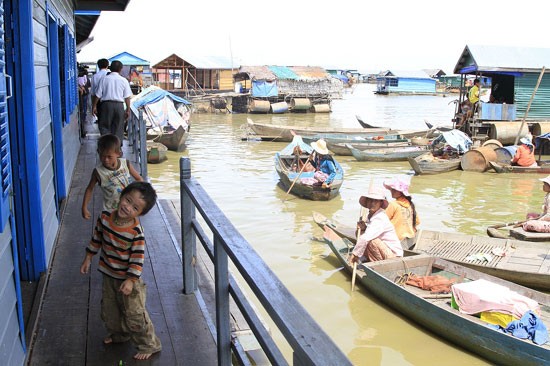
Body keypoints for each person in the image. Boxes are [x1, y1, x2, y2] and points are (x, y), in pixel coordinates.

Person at [80, 181, 162, 360]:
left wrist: (131, 280)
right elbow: (97, 238)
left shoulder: (135, 233)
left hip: (128, 280)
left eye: (135, 207)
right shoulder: (105, 217)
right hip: (109, 275)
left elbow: (137, 259)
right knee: (110, 310)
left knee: (134, 313)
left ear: (140, 214)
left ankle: (149, 344)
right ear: (121, 195)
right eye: (127, 200)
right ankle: (120, 334)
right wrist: (88, 257)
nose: (128, 207)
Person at [82, 134, 143, 219]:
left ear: (118, 154)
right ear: (98, 152)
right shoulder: (98, 172)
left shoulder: (126, 164)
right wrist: (84, 207)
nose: (105, 160)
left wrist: (142, 197)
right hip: (110, 211)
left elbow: (139, 179)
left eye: (109, 157)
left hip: (127, 209)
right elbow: (89, 189)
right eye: (102, 156)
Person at [349, 185, 402, 263]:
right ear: (367, 202)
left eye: (376, 201)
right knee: (361, 232)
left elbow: (366, 238)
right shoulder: (371, 216)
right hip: (385, 252)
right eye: (370, 200)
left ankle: (375, 263)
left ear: (380, 203)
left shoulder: (380, 218)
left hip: (393, 257)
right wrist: (363, 228)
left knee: (370, 240)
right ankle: (368, 258)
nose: (372, 203)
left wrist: (354, 255)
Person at [92, 60, 133, 143]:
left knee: (104, 127)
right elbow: (127, 97)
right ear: (120, 69)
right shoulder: (124, 80)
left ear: (110, 68)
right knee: (118, 127)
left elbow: (98, 95)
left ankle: (106, 146)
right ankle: (117, 148)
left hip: (106, 105)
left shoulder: (104, 79)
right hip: (119, 106)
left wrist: (94, 106)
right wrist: (128, 109)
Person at [383, 176, 420, 249]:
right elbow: (417, 222)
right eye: (392, 189)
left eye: (394, 190)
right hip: (410, 239)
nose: (391, 191)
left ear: (401, 192)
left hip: (397, 240)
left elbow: (383, 222)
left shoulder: (393, 204)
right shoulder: (410, 204)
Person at [91, 58, 110, 124]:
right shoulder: (110, 75)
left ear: (98, 66)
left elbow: (93, 93)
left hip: (99, 101)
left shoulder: (95, 76)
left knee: (102, 121)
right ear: (107, 65)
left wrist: (94, 106)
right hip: (109, 100)